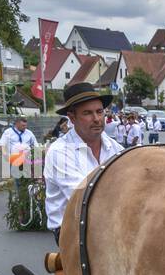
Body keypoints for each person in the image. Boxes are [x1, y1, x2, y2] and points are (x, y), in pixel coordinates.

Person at [43, 82, 123, 244]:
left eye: (99, 112)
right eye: (87, 113)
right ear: (72, 117)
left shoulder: (115, 147)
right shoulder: (60, 151)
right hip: (71, 231)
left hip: (110, 224)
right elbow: (84, 197)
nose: (96, 119)